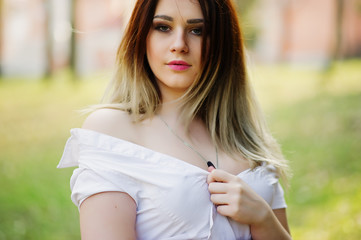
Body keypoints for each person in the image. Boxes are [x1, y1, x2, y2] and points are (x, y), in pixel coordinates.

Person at [58, 0, 292, 239]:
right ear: (141, 36)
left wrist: (263, 218)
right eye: (163, 27)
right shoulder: (112, 131)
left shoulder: (247, 137)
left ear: (222, 43)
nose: (179, 45)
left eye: (197, 30)